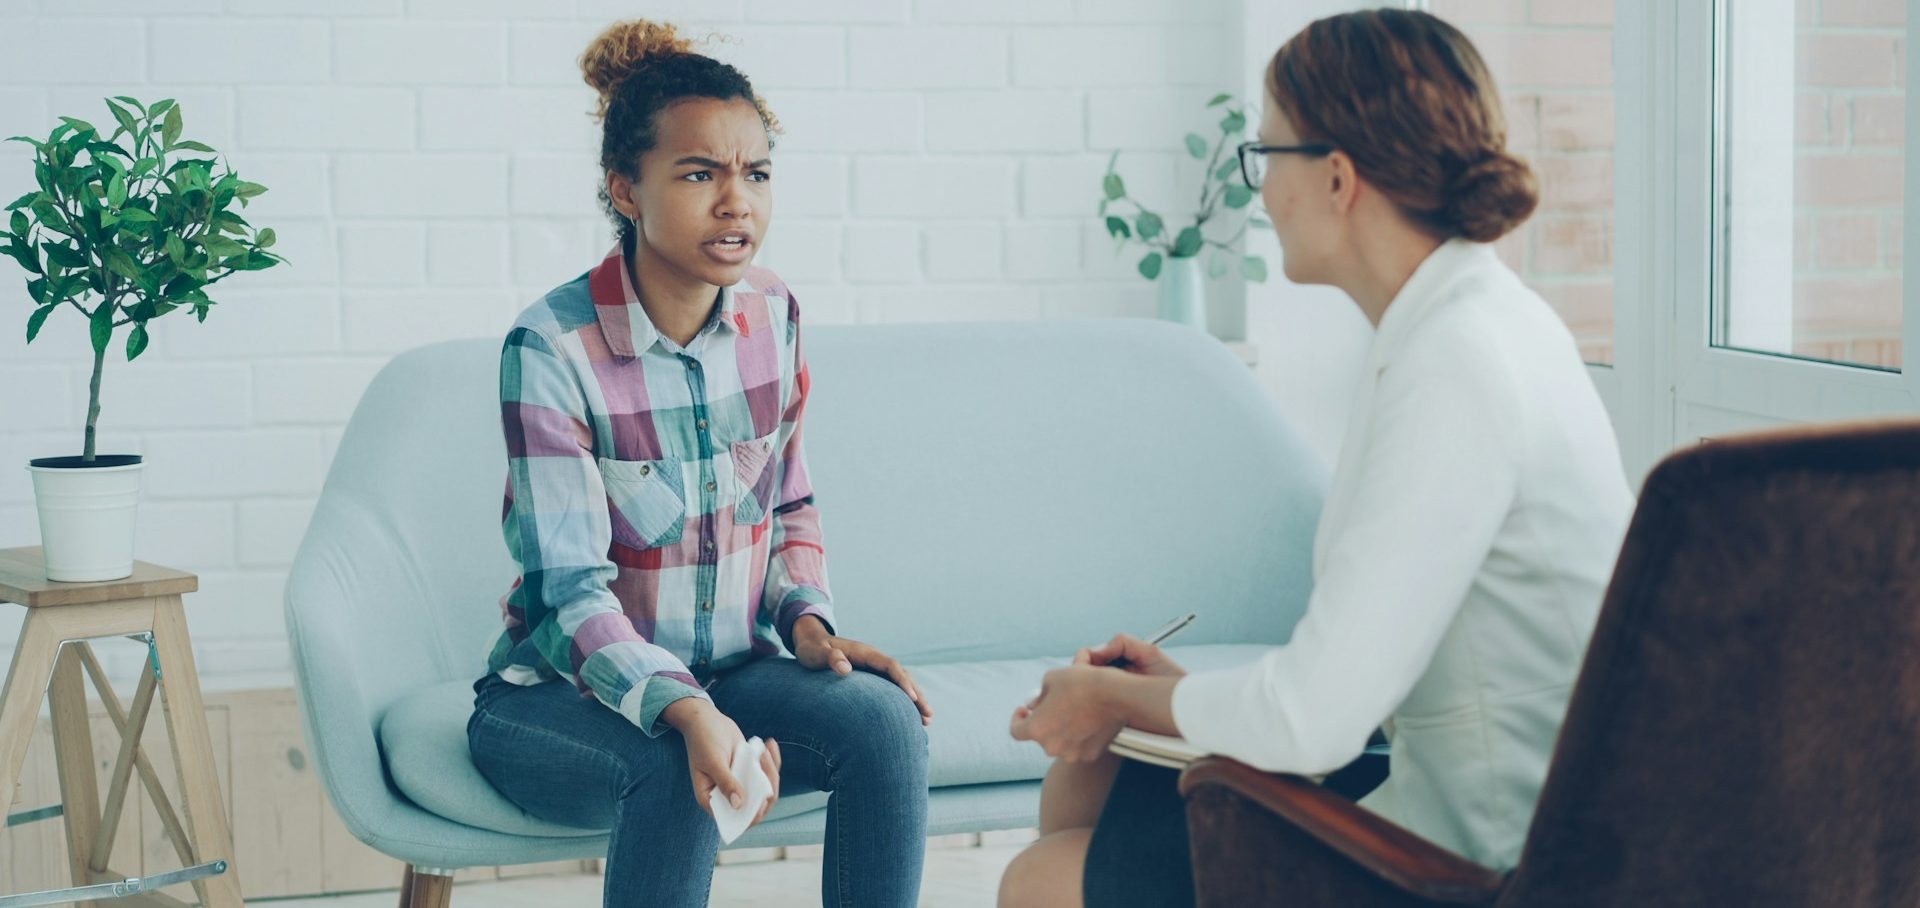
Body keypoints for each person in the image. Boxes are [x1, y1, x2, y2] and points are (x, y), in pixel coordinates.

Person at [999, 9, 1636, 907]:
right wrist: (1170, 696)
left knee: (1042, 882)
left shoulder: (1457, 361)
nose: (1260, 192)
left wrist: (1119, 701)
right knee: (1086, 785)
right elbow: (1357, 676)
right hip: (1457, 789)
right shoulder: (1463, 321)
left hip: (1493, 854)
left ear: (1337, 177)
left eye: (1267, 155)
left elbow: (1314, 722)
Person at [466, 20, 932, 908]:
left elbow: (786, 503)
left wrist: (809, 623)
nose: (736, 203)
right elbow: (567, 597)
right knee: (673, 751)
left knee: (883, 722)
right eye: (698, 174)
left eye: (756, 173)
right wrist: (685, 708)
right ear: (625, 189)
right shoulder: (552, 346)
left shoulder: (773, 313)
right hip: (556, 700)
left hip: (734, 675)